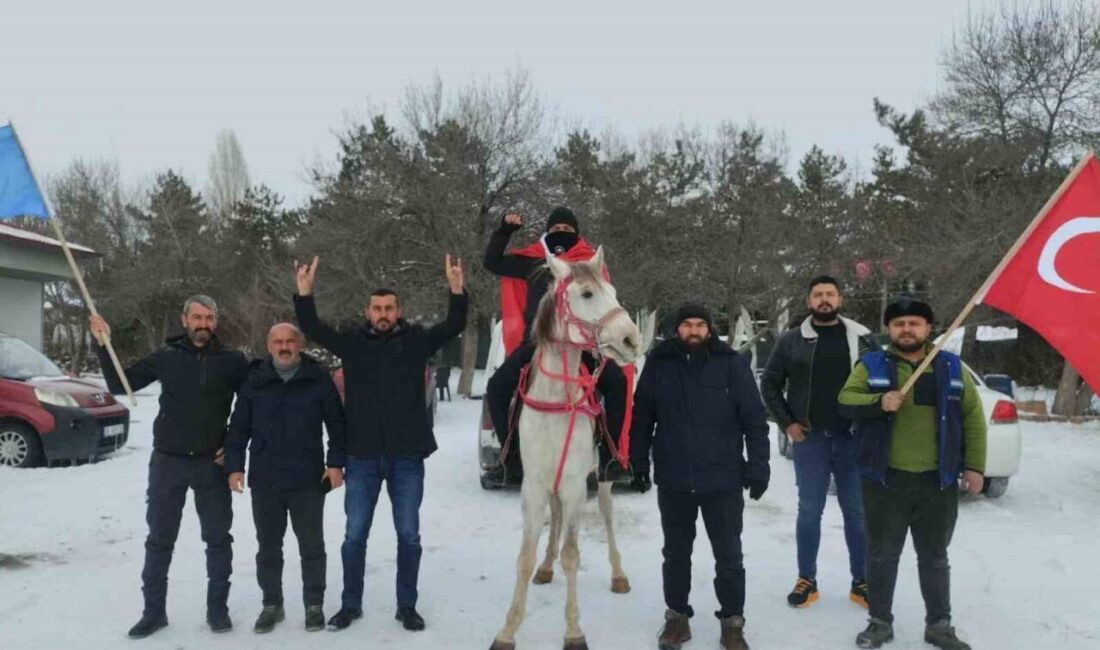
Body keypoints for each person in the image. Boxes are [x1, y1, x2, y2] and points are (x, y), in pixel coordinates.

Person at [292, 254, 467, 632]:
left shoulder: (417, 341)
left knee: (409, 534)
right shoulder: (353, 344)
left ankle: (407, 605)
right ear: (367, 312)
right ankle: (350, 604)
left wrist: (456, 288)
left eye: (389, 308)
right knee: (355, 534)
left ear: (398, 311)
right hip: (362, 456)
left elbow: (455, 323)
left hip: (406, 456)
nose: (383, 313)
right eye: (377, 308)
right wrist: (304, 292)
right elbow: (313, 327)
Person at [89, 295, 248, 639]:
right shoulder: (166, 357)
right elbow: (120, 384)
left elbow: (251, 407)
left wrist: (233, 447)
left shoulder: (232, 361)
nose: (203, 324)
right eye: (197, 317)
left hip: (211, 464)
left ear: (215, 322)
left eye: (209, 318)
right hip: (168, 463)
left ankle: (218, 610)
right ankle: (153, 612)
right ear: (184, 319)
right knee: (160, 540)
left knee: (218, 539)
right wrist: (103, 345)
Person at [838, 297, 987, 650]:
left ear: (928, 328)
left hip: (937, 481)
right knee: (882, 555)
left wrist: (975, 466)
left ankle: (939, 625)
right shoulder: (871, 364)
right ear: (889, 329)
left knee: (935, 556)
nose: (907, 329)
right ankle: (879, 622)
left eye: (914, 323)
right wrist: (878, 402)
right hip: (884, 480)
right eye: (900, 323)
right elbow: (845, 401)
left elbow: (973, 418)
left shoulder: (950, 367)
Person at [629, 303, 771, 650]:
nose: (694, 331)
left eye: (700, 325)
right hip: (674, 478)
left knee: (729, 555)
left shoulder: (731, 364)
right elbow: (642, 417)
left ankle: (732, 621)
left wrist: (759, 466)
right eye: (687, 325)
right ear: (677, 329)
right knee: (675, 553)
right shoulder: (659, 364)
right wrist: (637, 462)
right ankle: (677, 618)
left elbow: (754, 419)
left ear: (710, 329)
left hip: (722, 480)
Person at [483, 206, 630, 482]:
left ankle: (611, 457)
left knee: (616, 382)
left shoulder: (588, 264)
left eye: (567, 230)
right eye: (555, 230)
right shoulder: (533, 262)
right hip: (538, 342)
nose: (561, 233)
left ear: (576, 233)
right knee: (498, 386)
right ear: (547, 233)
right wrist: (504, 231)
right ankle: (511, 458)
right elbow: (492, 263)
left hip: (582, 343)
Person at [224, 323, 347, 634]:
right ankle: (271, 604)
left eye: (290, 341)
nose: (284, 346)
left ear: (300, 344)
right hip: (265, 479)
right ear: (269, 345)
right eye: (277, 341)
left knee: (312, 546)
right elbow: (238, 427)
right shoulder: (255, 380)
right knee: (268, 547)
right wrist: (235, 467)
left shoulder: (316, 378)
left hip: (307, 478)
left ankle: (314, 604)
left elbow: (337, 424)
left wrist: (335, 463)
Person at [760, 275, 874, 608]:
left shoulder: (862, 339)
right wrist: (788, 423)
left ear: (840, 299)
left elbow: (882, 382)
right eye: (818, 294)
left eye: (830, 294)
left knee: (856, 512)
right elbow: (769, 385)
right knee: (810, 510)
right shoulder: (792, 340)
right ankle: (806, 580)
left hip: (852, 439)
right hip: (811, 440)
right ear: (809, 301)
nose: (824, 299)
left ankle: (862, 581)